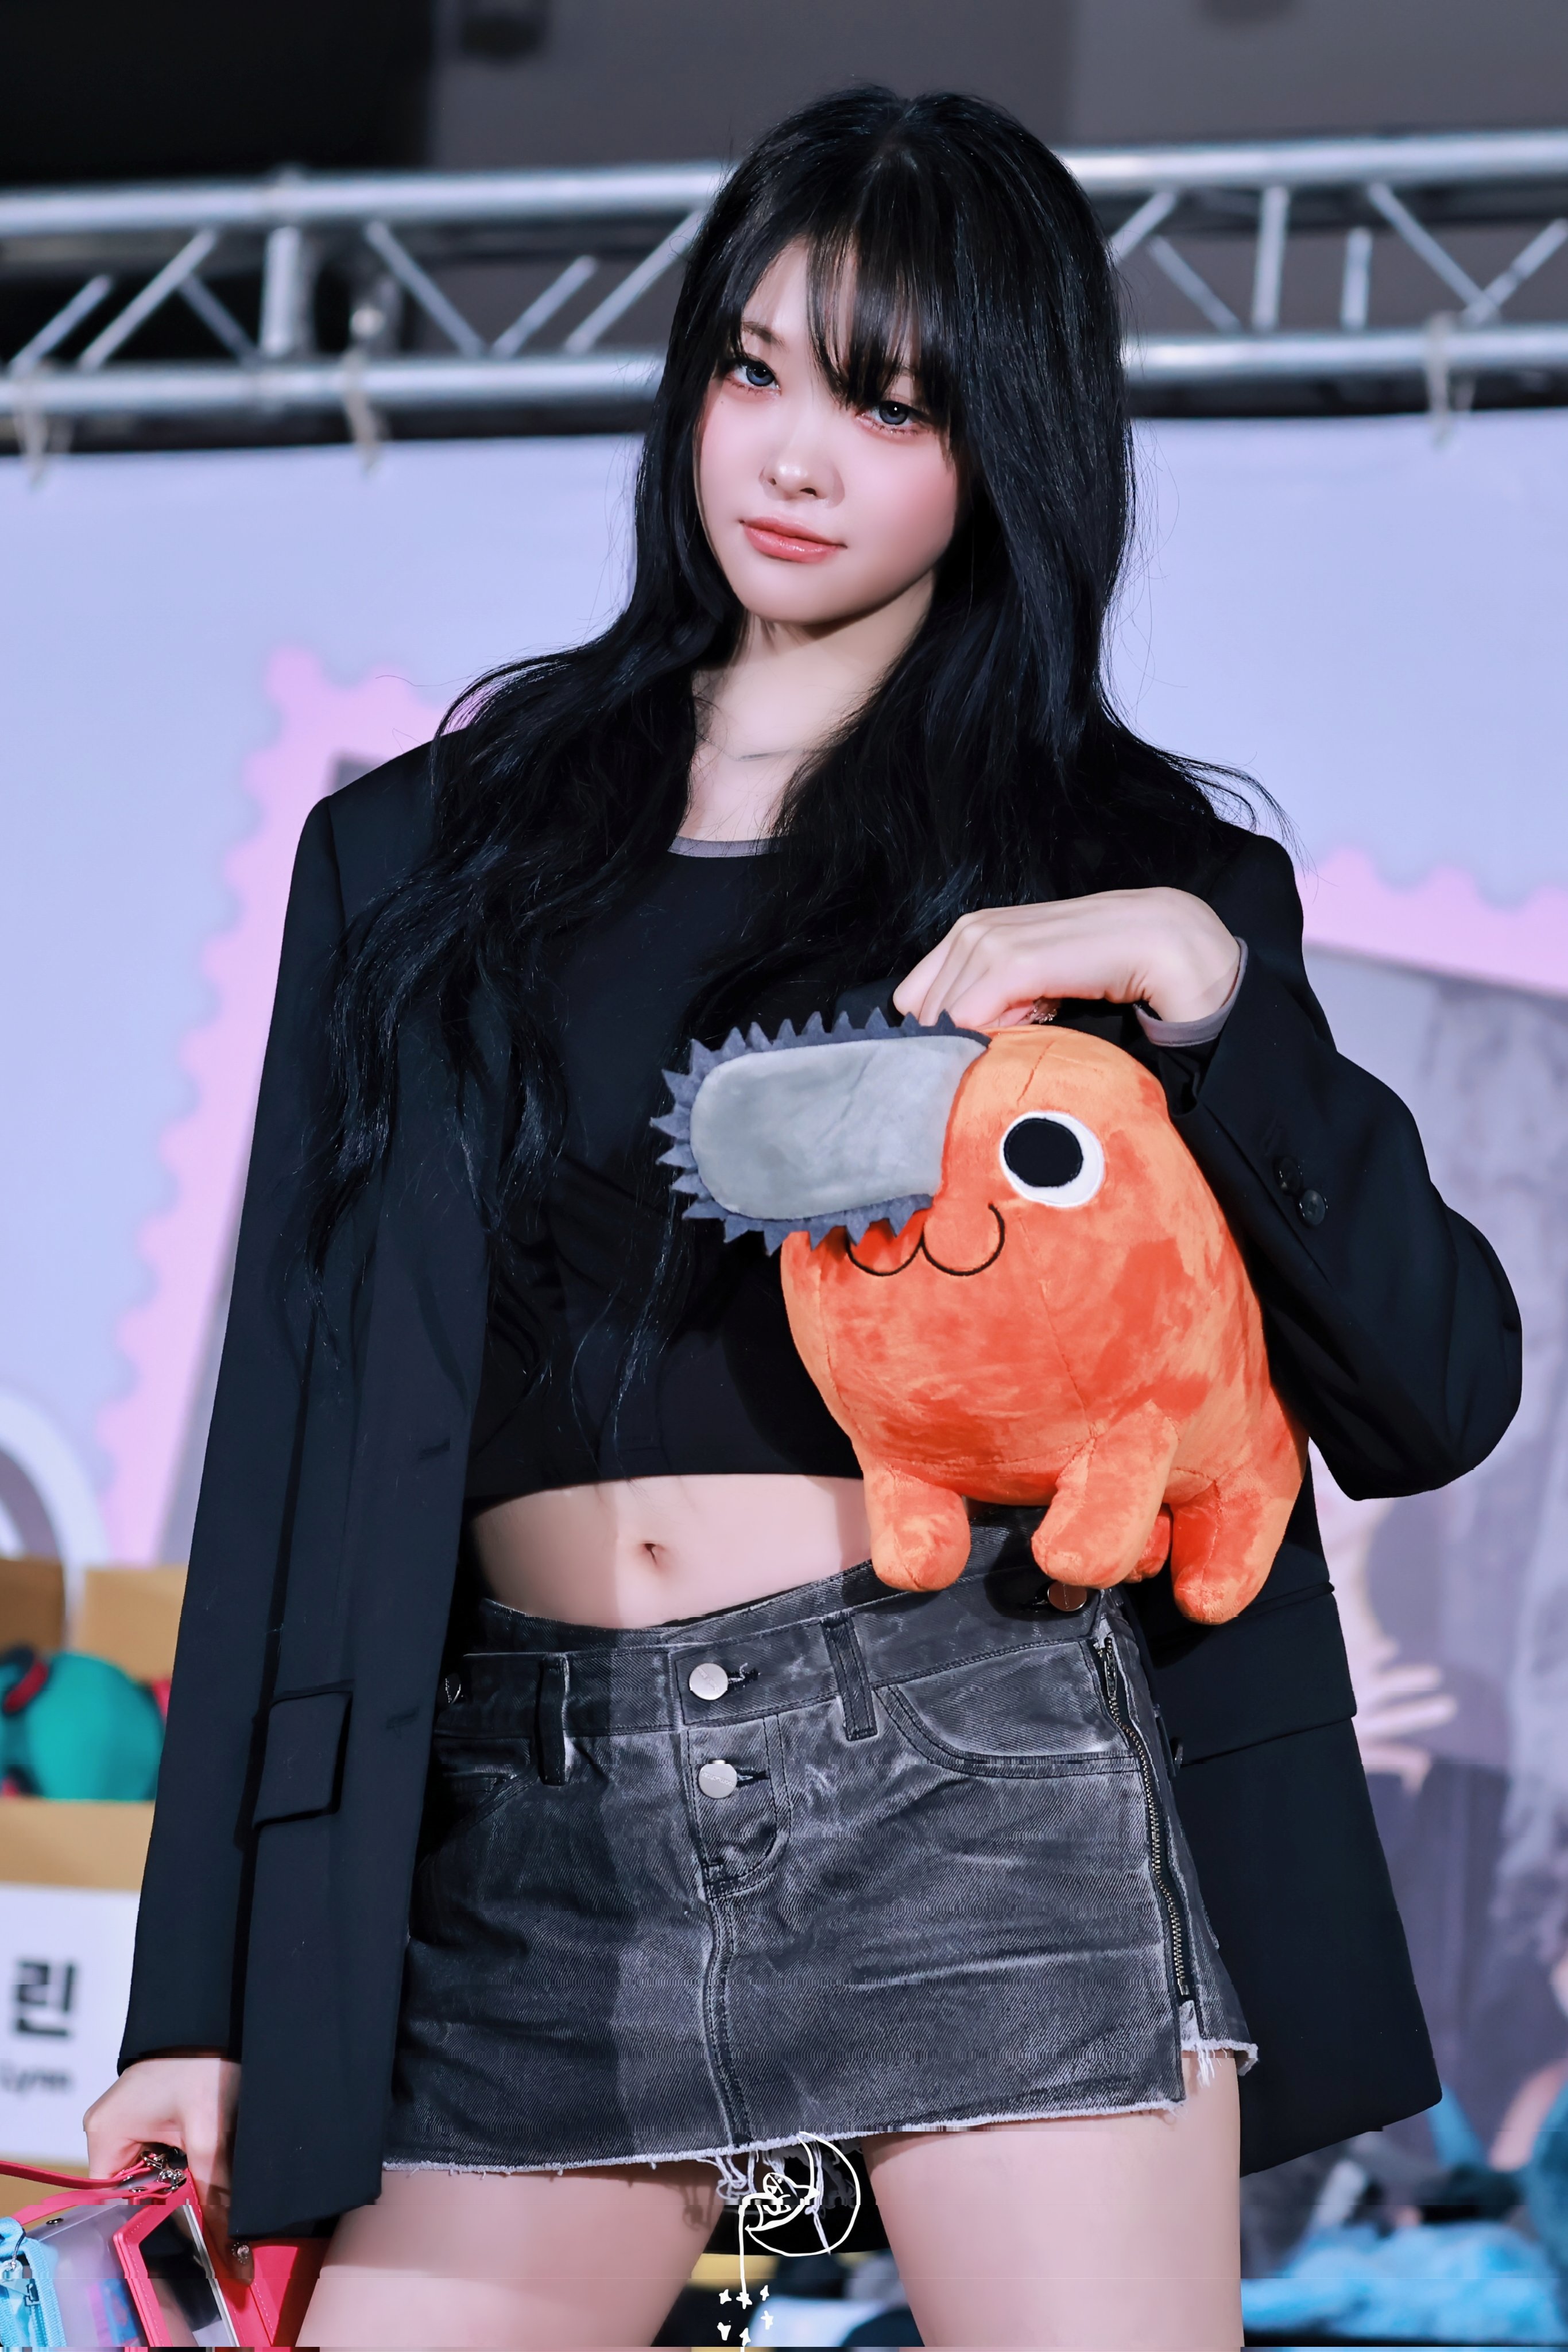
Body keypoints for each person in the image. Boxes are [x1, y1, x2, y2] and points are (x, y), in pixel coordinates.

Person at [84, 88, 1520, 2351]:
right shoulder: (417, 857)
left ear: (1003, 447)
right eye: (750, 369)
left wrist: (1213, 997)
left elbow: (1431, 1394)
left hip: (978, 1774)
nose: (789, 455)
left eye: (887, 405)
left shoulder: (1120, 872)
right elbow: (288, 1440)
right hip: (522, 1826)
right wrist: (199, 1995)